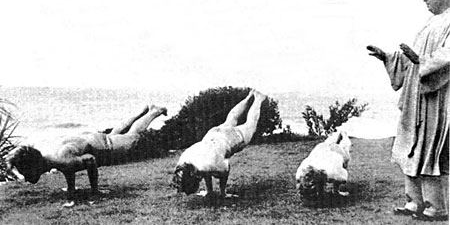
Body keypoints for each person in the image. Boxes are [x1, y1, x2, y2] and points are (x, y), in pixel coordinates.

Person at [367, 0, 450, 221]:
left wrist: (421, 61)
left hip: (435, 100)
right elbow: (412, 58)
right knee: (410, 148)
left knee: (428, 150)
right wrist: (389, 58)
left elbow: (445, 57)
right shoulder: (429, 24)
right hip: (415, 99)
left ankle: (436, 207)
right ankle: (414, 202)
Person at [6, 104, 167, 203]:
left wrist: (94, 190)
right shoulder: (50, 156)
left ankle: (154, 111)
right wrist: (71, 189)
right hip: (90, 139)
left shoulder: (61, 160)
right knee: (116, 132)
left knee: (132, 137)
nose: (26, 178)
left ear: (35, 165)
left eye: (26, 172)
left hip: (102, 147)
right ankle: (142, 110)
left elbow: (89, 160)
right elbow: (69, 168)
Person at [172, 89, 267, 199]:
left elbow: (225, 169)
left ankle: (259, 98)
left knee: (250, 125)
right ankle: (250, 95)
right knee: (231, 118)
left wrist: (223, 193)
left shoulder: (207, 166)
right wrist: (209, 191)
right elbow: (205, 167)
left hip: (229, 139)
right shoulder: (183, 161)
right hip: (212, 134)